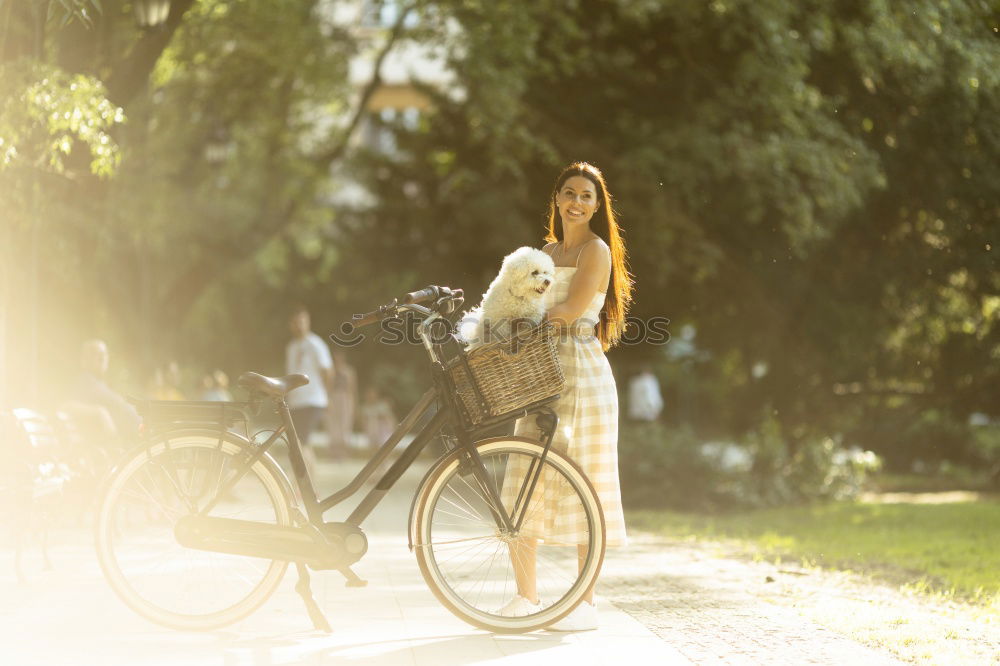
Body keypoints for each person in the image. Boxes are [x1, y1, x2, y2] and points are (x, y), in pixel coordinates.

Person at [502, 161, 634, 631]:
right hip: (540, 371)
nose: (577, 202)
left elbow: (572, 310)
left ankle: (584, 604)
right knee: (524, 476)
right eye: (570, 193)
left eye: (586, 196)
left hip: (581, 370)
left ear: (597, 206)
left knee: (585, 482)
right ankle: (526, 598)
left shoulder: (596, 251)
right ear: (556, 199)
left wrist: (515, 322)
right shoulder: (545, 250)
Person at [62, 339, 141, 450]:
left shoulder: (100, 383)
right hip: (122, 444)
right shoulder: (85, 380)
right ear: (85, 360)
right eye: (96, 354)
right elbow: (67, 406)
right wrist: (99, 411)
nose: (102, 358)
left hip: (134, 439)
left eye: (104, 354)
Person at [285, 305, 333, 475]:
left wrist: (327, 396)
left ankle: (305, 487)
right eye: (296, 322)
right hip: (296, 402)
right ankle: (311, 486)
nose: (299, 325)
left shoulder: (315, 344)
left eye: (302, 321)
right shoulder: (291, 347)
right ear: (291, 324)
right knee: (301, 443)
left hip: (313, 401)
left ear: (308, 322)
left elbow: (327, 371)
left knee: (301, 443)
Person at [324, 348, 357, 459]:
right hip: (333, 397)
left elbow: (351, 388)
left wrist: (352, 404)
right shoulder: (331, 370)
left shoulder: (348, 371)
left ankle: (343, 453)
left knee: (344, 425)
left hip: (345, 398)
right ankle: (333, 453)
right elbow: (328, 387)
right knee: (333, 425)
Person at [359, 385, 395, 452]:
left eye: (372, 394)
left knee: (382, 445)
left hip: (382, 430)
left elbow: (388, 418)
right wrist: (365, 429)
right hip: (371, 429)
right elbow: (363, 420)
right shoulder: (365, 408)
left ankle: (384, 459)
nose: (370, 397)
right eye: (369, 395)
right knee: (373, 445)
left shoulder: (381, 406)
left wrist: (391, 428)